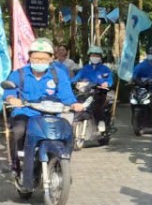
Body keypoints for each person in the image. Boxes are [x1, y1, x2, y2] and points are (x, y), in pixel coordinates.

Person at [3, 38, 84, 171]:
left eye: (43, 59)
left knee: (67, 133)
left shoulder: (58, 74)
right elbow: (9, 92)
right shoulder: (19, 74)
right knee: (18, 131)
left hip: (51, 115)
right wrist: (12, 98)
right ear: (29, 57)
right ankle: (17, 162)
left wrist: (74, 104)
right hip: (26, 114)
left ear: (51, 58)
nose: (39, 62)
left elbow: (66, 95)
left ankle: (60, 164)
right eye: (36, 58)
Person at [74, 45, 114, 132]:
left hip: (100, 92)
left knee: (98, 105)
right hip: (86, 92)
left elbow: (110, 81)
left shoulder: (105, 69)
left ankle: (101, 121)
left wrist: (106, 83)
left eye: (97, 55)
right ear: (89, 56)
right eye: (93, 55)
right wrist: (72, 82)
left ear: (100, 57)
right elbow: (75, 79)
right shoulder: (85, 68)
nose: (94, 57)